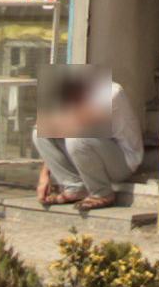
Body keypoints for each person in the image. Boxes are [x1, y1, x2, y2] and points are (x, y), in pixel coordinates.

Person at [33, 68, 144, 212]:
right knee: (40, 132)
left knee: (78, 137)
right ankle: (75, 187)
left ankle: (102, 193)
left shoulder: (112, 93)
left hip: (123, 162)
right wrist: (44, 176)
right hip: (92, 152)